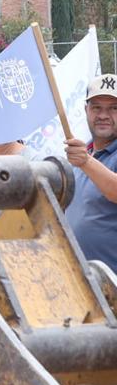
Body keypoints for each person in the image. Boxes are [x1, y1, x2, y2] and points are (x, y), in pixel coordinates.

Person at [65, 74, 117, 273]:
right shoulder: (80, 155)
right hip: (79, 283)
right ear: (85, 110)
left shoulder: (82, 159)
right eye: (96, 107)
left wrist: (86, 161)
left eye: (113, 108)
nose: (103, 115)